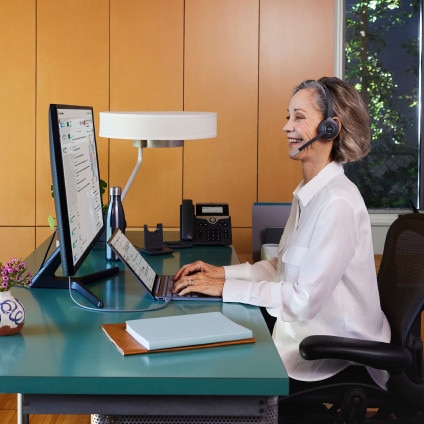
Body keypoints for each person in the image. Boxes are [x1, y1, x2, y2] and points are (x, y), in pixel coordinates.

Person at [172, 76, 391, 394]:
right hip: (299, 338)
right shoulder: (309, 193)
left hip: (332, 355)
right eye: (288, 117)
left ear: (331, 128)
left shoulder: (338, 202)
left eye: (299, 117)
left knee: (216, 373)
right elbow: (280, 268)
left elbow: (302, 301)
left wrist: (225, 288)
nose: (287, 127)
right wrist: (221, 274)